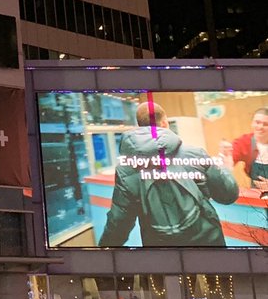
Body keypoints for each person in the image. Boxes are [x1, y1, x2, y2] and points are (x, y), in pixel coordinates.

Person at [98, 102, 238, 247]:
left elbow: (119, 222)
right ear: (165, 123)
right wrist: (225, 168)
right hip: (208, 243)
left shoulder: (126, 170)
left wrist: (104, 249)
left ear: (140, 127)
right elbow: (228, 195)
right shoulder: (196, 154)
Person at [220, 107, 268, 194]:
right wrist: (225, 160)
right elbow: (228, 160)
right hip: (256, 193)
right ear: (252, 123)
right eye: (257, 122)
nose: (260, 127)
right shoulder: (244, 142)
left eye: (265, 124)